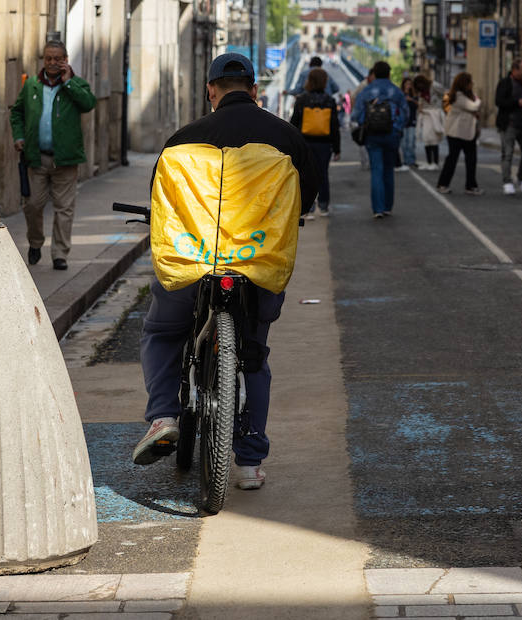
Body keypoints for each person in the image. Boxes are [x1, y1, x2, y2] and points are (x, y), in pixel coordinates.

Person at [135, 52, 319, 491]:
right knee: (253, 353)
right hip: (257, 266)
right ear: (255, 91)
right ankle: (250, 463)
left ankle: (163, 415)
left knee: (162, 332)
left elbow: (159, 196)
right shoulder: (286, 138)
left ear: (211, 91)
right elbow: (305, 199)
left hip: (194, 263)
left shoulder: (182, 140)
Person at [9, 39, 97, 270]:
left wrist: (68, 84)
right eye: (48, 58)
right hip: (37, 157)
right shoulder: (32, 86)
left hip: (65, 159)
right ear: (44, 60)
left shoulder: (76, 84)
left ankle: (60, 254)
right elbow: (17, 112)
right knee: (33, 205)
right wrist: (19, 137)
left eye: (58, 58)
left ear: (65, 60)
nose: (52, 63)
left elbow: (88, 104)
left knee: (64, 208)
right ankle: (36, 242)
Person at [352, 61, 410, 219]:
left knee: (376, 170)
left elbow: (355, 115)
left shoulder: (367, 91)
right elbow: (406, 113)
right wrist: (397, 128)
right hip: (392, 134)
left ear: (374, 74)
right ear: (389, 74)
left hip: (372, 135)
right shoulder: (396, 91)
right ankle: (388, 207)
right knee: (388, 170)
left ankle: (377, 208)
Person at [289, 67, 341, 215]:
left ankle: (308, 208)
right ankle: (323, 206)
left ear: (309, 81)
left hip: (305, 143)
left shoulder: (302, 100)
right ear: (325, 82)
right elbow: (334, 126)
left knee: (304, 175)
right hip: (324, 144)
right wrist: (337, 149)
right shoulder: (329, 101)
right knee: (323, 174)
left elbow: (294, 123)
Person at [494, 58, 522, 195]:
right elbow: (499, 101)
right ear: (514, 69)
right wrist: (517, 103)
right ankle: (507, 181)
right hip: (509, 124)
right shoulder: (505, 83)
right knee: (508, 153)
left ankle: (521, 178)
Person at [436, 72, 483, 195]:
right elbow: (473, 107)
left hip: (468, 133)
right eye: (470, 82)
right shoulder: (458, 96)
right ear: (464, 84)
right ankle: (442, 184)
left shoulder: (467, 95)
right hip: (456, 133)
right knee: (452, 159)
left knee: (471, 159)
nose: (472, 84)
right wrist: (478, 100)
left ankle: (471, 186)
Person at [413, 74, 445, 170]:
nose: (420, 86)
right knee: (426, 138)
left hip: (434, 113)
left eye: (420, 84)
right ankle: (429, 162)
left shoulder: (434, 85)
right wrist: (420, 108)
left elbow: (443, 93)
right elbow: (421, 102)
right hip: (426, 114)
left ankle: (435, 162)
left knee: (434, 138)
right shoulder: (421, 92)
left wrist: (441, 107)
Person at [398, 75, 419, 171]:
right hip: (403, 121)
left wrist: (411, 100)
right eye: (406, 84)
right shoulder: (400, 95)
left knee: (411, 142)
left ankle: (412, 160)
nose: (408, 86)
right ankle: (406, 161)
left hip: (412, 120)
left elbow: (418, 105)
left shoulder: (414, 95)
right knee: (404, 143)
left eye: (410, 84)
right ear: (403, 85)